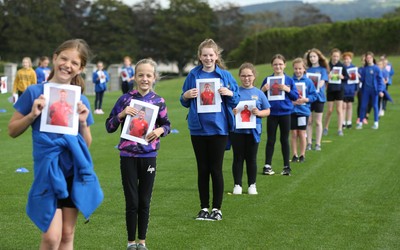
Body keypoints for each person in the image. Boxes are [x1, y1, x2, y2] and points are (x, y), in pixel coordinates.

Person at [8, 39, 103, 249]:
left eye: (74, 63)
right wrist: (32, 115)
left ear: (81, 68)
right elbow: (12, 130)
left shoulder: (82, 101)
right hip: (47, 172)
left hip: (73, 172)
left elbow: (85, 144)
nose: (67, 65)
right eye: (64, 58)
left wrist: (83, 123)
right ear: (54, 58)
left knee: (67, 235)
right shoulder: (35, 92)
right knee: (51, 237)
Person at [106, 58, 170, 250]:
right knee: (131, 200)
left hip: (148, 157)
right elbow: (109, 126)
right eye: (140, 75)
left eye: (148, 75)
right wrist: (121, 115)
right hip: (127, 157)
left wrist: (160, 131)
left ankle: (142, 241)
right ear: (134, 77)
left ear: (154, 77)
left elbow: (167, 125)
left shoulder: (159, 101)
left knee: (144, 200)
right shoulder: (125, 100)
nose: (144, 78)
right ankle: (130, 242)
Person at [180, 38, 239, 221]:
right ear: (199, 56)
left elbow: (235, 99)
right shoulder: (193, 75)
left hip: (219, 129)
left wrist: (229, 93)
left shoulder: (225, 76)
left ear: (216, 56)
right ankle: (204, 208)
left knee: (216, 169)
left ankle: (217, 209)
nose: (208, 58)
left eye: (211, 55)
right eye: (204, 55)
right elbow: (183, 100)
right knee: (202, 169)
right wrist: (186, 95)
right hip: (198, 129)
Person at [231, 63, 270, 195]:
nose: (246, 78)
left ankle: (252, 185)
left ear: (254, 76)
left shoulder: (259, 93)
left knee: (251, 158)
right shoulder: (235, 92)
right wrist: (233, 112)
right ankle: (237, 185)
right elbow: (228, 109)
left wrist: (259, 113)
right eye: (243, 76)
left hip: (254, 132)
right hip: (237, 131)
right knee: (238, 158)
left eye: (249, 75)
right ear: (239, 76)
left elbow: (268, 110)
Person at [260, 54, 299, 176]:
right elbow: (259, 98)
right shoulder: (267, 80)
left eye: (280, 64)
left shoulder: (289, 80)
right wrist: (263, 90)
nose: (278, 66)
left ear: (285, 65)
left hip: (285, 113)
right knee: (271, 139)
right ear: (272, 66)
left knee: (284, 140)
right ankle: (267, 165)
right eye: (275, 64)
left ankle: (286, 166)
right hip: (272, 114)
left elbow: (295, 96)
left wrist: (287, 90)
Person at [291, 58, 317, 163]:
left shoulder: (308, 81)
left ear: (304, 69)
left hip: (303, 111)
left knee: (301, 133)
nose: (298, 71)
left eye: (300, 68)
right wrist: (291, 102)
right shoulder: (290, 80)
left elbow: (314, 95)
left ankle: (302, 154)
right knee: (293, 133)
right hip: (292, 111)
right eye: (296, 69)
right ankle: (294, 154)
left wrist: (306, 99)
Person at [304, 48, 329, 151]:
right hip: (309, 99)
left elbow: (322, 82)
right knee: (309, 122)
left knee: (318, 122)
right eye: (310, 57)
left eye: (314, 56)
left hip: (319, 98)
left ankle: (318, 144)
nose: (312, 58)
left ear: (318, 57)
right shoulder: (307, 71)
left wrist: (315, 87)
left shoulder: (323, 70)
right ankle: (309, 143)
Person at [323, 48, 348, 136]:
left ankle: (340, 129)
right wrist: (327, 77)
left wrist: (342, 77)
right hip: (330, 90)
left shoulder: (341, 66)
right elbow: (323, 77)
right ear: (331, 56)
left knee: (339, 110)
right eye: (334, 56)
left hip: (339, 90)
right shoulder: (327, 66)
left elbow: (347, 77)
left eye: (337, 56)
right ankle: (325, 128)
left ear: (339, 57)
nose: (335, 58)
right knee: (329, 110)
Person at [356, 52, 385, 130]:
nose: (368, 59)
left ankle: (376, 122)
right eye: (367, 58)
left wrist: (380, 90)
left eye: (370, 58)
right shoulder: (365, 69)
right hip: (365, 90)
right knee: (363, 106)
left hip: (374, 90)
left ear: (373, 58)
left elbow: (380, 80)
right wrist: (359, 77)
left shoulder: (376, 68)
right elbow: (362, 79)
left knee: (375, 106)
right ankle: (360, 122)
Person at [342, 52, 359, 129]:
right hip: (343, 89)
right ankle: (343, 122)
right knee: (343, 106)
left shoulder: (354, 68)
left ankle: (349, 122)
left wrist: (356, 89)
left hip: (351, 90)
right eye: (345, 59)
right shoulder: (341, 68)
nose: (346, 60)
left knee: (349, 106)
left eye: (348, 59)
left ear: (351, 59)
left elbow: (356, 81)